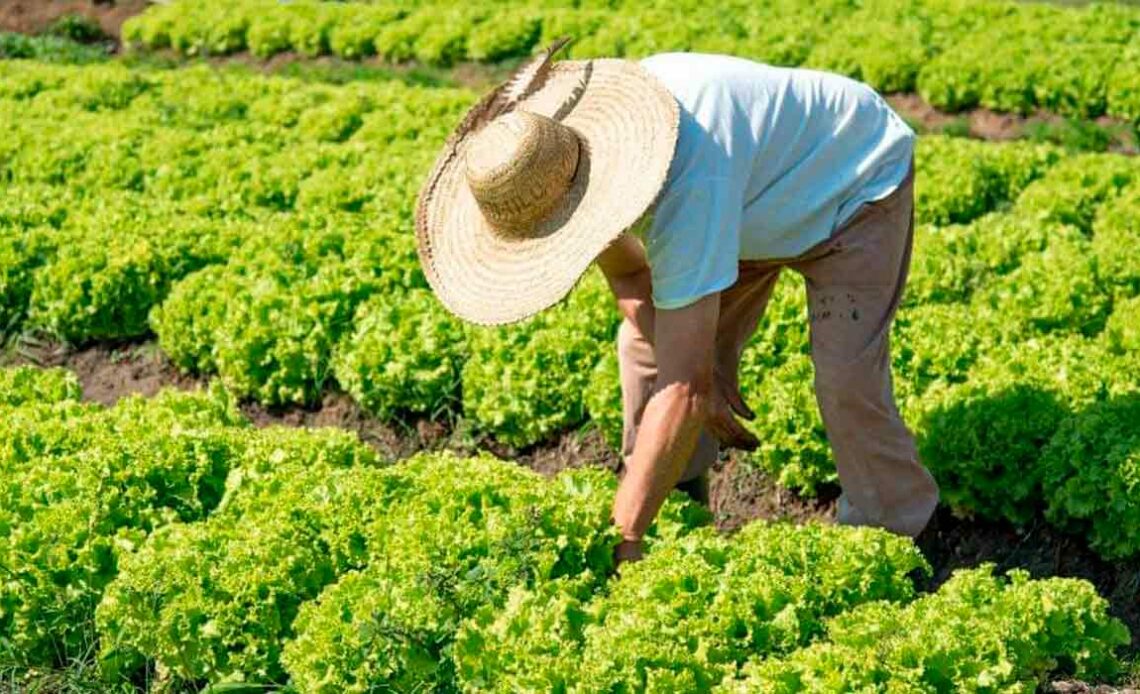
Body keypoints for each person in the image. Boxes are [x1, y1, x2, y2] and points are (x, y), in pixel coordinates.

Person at [415, 40, 940, 565]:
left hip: (851, 185)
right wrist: (688, 369)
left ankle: (897, 535)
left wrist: (622, 533)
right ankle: (675, 505)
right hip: (746, 204)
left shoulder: (683, 173)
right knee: (645, 350)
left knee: (846, 378)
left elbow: (686, 386)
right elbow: (630, 278)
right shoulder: (566, 170)